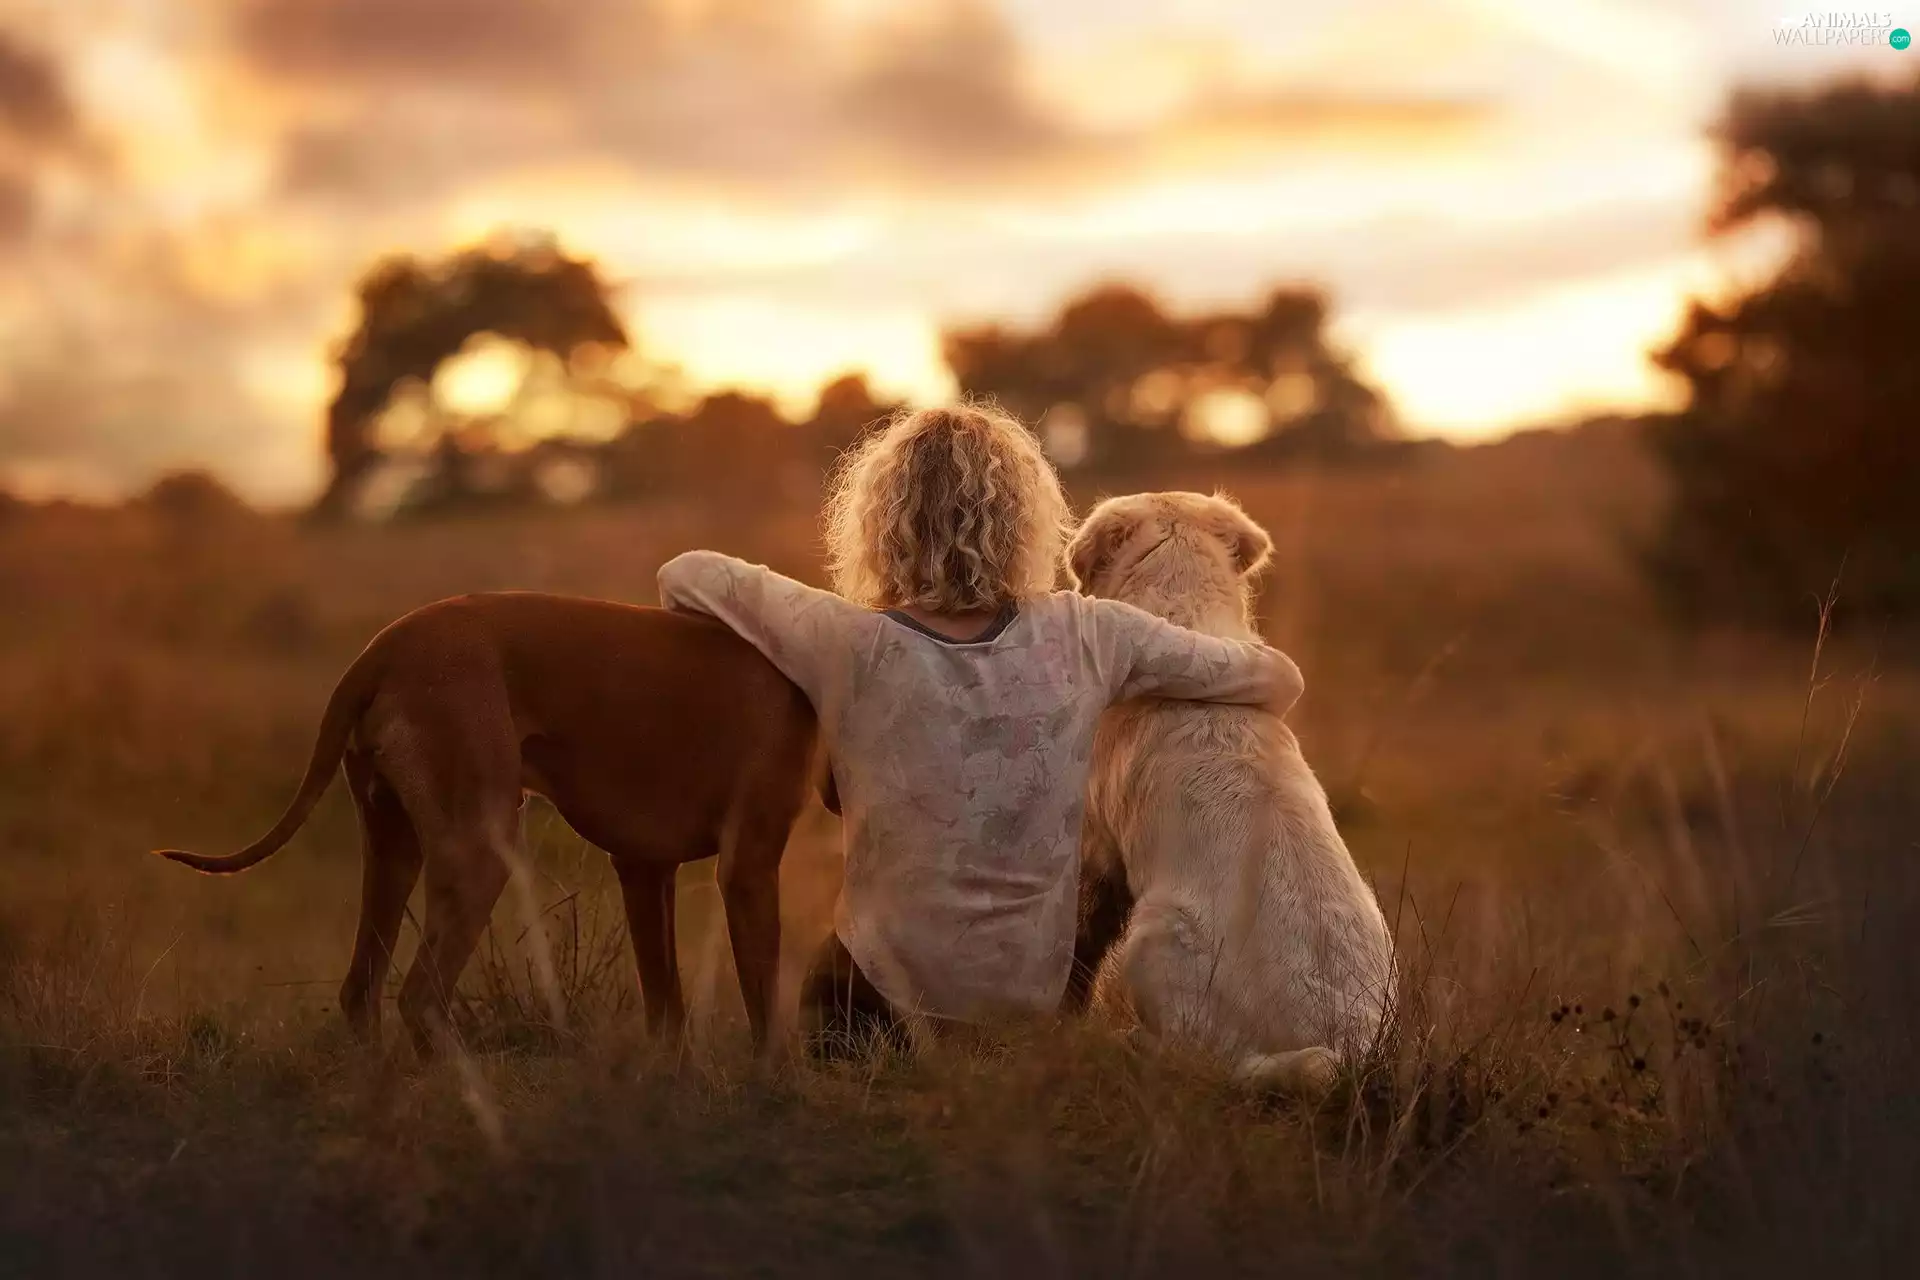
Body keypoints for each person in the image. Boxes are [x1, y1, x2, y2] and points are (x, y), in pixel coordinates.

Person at [656, 404, 1302, 1058]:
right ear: (1027, 524)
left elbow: (685, 575)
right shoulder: (1094, 632)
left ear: (881, 525)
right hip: (1034, 1010)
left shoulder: (843, 639)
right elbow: (1276, 680)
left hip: (881, 1006)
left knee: (834, 975)